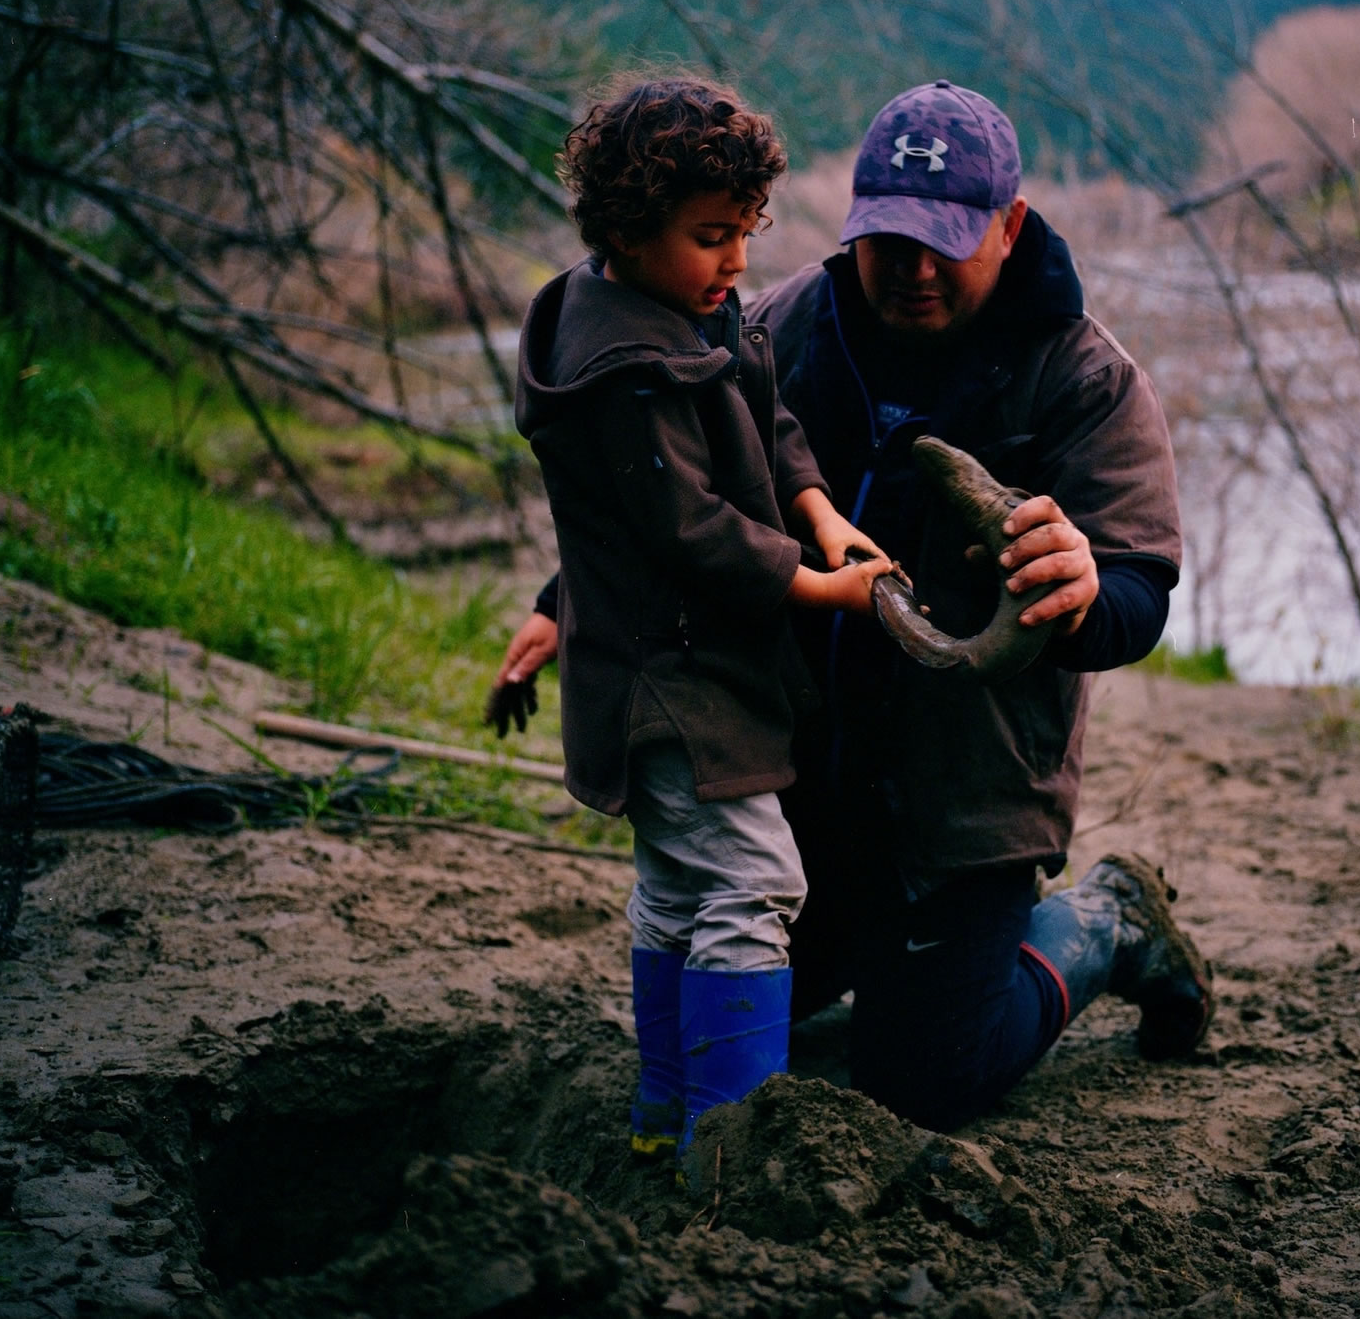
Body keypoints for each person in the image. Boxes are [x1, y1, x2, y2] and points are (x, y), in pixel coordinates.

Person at [497, 79, 1213, 1133]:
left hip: (959, 809)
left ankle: (1106, 919)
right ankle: (871, 974)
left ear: (1009, 226)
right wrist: (567, 602)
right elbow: (666, 494)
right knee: (735, 995)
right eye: (889, 239)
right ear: (852, 224)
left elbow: (1139, 589)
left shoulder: (1085, 379)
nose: (914, 271)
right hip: (793, 774)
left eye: (947, 241)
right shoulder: (773, 324)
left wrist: (1085, 590)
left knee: (923, 1084)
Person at [510, 77, 893, 1162]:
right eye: (708, 238)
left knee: (680, 884)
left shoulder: (689, 309)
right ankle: (726, 1145)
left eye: (743, 234)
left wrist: (818, 509)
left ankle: (662, 1122)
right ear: (624, 232)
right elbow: (690, 530)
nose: (733, 264)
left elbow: (765, 412)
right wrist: (820, 590)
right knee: (755, 882)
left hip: (702, 670)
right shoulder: (619, 371)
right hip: (660, 680)